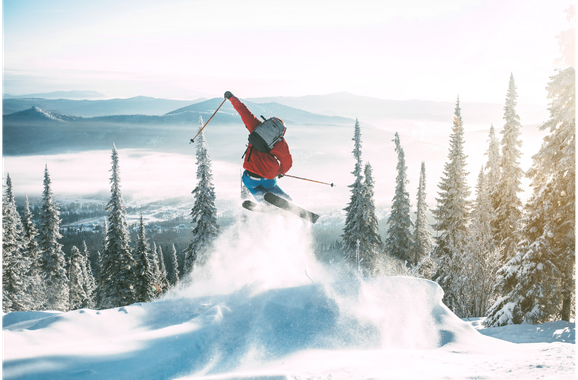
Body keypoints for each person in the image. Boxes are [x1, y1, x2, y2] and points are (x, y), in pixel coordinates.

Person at [224, 90, 292, 202]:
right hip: (269, 177)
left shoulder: (256, 127)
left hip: (252, 176)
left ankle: (263, 202)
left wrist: (231, 97)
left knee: (251, 185)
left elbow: (243, 111)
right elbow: (287, 162)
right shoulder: (281, 143)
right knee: (272, 187)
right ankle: (288, 201)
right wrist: (280, 171)